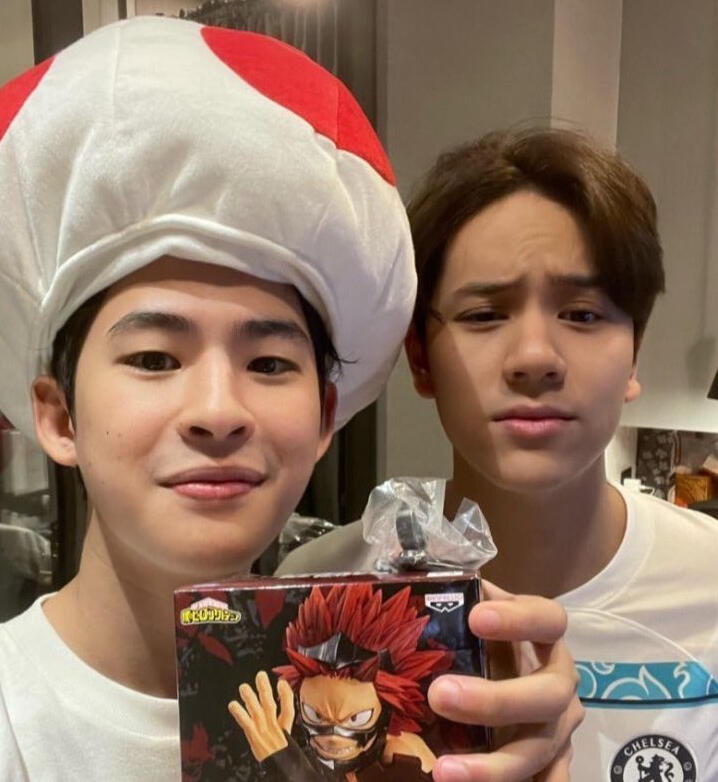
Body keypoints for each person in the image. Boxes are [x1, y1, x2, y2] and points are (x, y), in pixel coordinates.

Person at [0, 18, 580, 781]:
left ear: (326, 417)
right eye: (154, 358)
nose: (218, 410)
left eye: (269, 363)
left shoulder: (399, 714)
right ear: (58, 415)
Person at [278, 128, 718, 780]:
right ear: (420, 359)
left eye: (584, 314)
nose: (535, 357)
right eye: (484, 315)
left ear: (635, 355)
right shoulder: (318, 593)